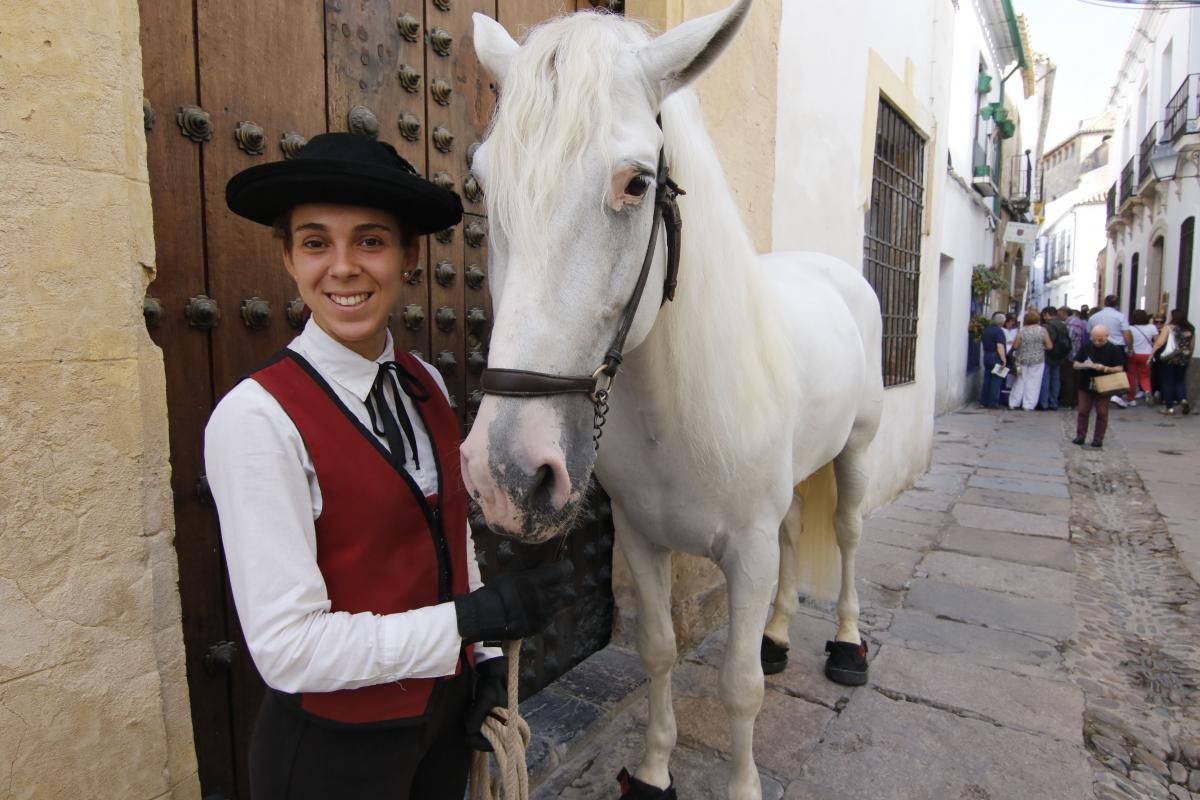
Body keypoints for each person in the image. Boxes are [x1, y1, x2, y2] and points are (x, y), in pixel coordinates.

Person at [204, 133, 575, 800]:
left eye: (371, 241)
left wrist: (480, 660)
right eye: (316, 242)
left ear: (407, 258)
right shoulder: (256, 420)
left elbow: (449, 532)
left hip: (440, 724)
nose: (343, 267)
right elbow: (289, 649)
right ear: (288, 258)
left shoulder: (424, 381)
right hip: (333, 757)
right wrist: (469, 622)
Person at [1073, 323, 1128, 448]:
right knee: (1083, 410)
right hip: (1086, 382)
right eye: (1094, 338)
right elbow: (1075, 363)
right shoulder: (1087, 346)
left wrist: (1105, 368)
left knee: (1102, 411)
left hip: (1104, 384)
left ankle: (1098, 438)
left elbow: (1120, 368)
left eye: (1100, 339)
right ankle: (1080, 435)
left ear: (1107, 336)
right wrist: (1084, 365)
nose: (1096, 342)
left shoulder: (1114, 349)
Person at [1088, 295, 1134, 407]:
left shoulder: (1094, 317)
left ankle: (1098, 393)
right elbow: (1127, 334)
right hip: (1116, 346)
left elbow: (1089, 332)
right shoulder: (1120, 316)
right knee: (1117, 371)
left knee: (1098, 369)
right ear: (1117, 304)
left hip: (1097, 345)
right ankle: (1116, 395)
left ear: (1104, 303)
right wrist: (1130, 348)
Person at [1008, 309, 1053, 411]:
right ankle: (1028, 404)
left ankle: (1014, 402)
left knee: (1019, 380)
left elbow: (1015, 345)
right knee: (1034, 382)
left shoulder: (1022, 330)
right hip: (1037, 360)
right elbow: (1049, 346)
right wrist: (1039, 348)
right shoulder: (1043, 330)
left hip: (1021, 359)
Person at [1154, 308, 1195, 416]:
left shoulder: (1168, 327)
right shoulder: (1190, 328)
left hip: (1169, 358)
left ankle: (1170, 408)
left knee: (1167, 382)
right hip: (1183, 358)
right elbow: (1192, 345)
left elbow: (1159, 342)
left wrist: (1151, 354)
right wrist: (1189, 358)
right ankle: (1183, 399)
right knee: (1180, 381)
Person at [1038, 305, 1071, 410]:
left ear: (1047, 314)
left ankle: (1044, 402)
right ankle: (1054, 402)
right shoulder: (1063, 325)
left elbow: (1046, 342)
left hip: (1048, 355)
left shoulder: (1047, 326)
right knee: (1056, 378)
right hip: (1060, 355)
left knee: (1045, 378)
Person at [1126, 309, 1157, 406]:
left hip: (1133, 354)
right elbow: (1157, 341)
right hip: (1147, 355)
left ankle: (1131, 399)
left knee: (1131, 376)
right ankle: (1147, 391)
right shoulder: (1152, 328)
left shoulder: (1130, 328)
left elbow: (1127, 340)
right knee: (1145, 376)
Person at [979, 311, 1009, 408]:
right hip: (996, 356)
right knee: (996, 379)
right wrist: (1003, 359)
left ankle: (984, 401)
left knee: (987, 378)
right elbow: (1000, 346)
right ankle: (993, 402)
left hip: (987, 355)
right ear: (1002, 322)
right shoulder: (999, 332)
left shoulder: (986, 330)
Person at [1060, 306, 1086, 408]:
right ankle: (1075, 400)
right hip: (1079, 353)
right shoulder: (1079, 322)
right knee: (1076, 378)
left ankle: (1068, 401)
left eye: (1060, 314)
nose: (1059, 316)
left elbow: (1068, 340)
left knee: (1068, 379)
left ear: (1064, 313)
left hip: (1071, 355)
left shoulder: (1071, 324)